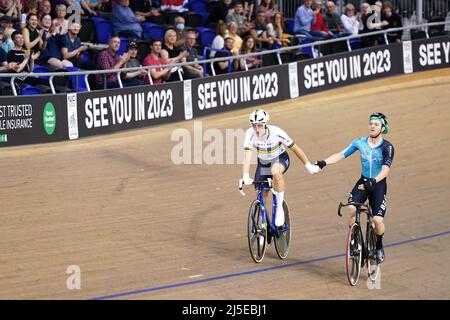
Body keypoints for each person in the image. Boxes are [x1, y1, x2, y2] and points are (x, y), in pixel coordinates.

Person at [315, 112, 394, 264]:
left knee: (377, 220)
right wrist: (324, 162)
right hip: (363, 182)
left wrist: (374, 180)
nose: (372, 126)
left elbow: (385, 170)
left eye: (376, 124)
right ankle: (353, 239)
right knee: (351, 208)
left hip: (378, 184)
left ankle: (378, 245)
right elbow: (341, 154)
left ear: (382, 128)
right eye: (371, 123)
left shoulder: (387, 147)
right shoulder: (360, 142)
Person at [241, 109, 320, 232]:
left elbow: (295, 149)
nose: (257, 129)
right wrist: (245, 175)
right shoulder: (249, 134)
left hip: (280, 159)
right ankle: (264, 226)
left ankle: (279, 210)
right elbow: (247, 156)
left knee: (275, 172)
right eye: (254, 125)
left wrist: (308, 165)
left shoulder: (277, 132)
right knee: (260, 197)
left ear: (266, 124)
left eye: (260, 125)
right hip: (263, 163)